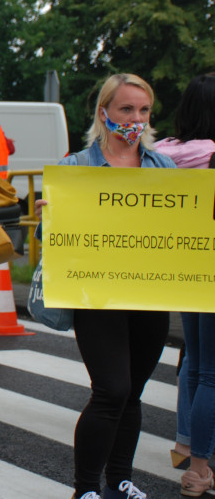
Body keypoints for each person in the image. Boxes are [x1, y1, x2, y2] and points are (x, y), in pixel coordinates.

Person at [38, 73, 175, 499]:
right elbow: (54, 239)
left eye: (143, 110)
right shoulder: (75, 167)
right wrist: (51, 216)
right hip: (96, 295)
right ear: (104, 113)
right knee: (111, 389)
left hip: (149, 294)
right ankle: (84, 489)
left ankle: (119, 479)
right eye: (125, 109)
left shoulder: (163, 168)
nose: (135, 118)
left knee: (132, 392)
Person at [154, 72, 215, 496]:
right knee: (211, 373)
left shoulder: (161, 154)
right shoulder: (212, 154)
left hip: (182, 268)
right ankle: (199, 469)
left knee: (194, 360)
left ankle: (186, 443)